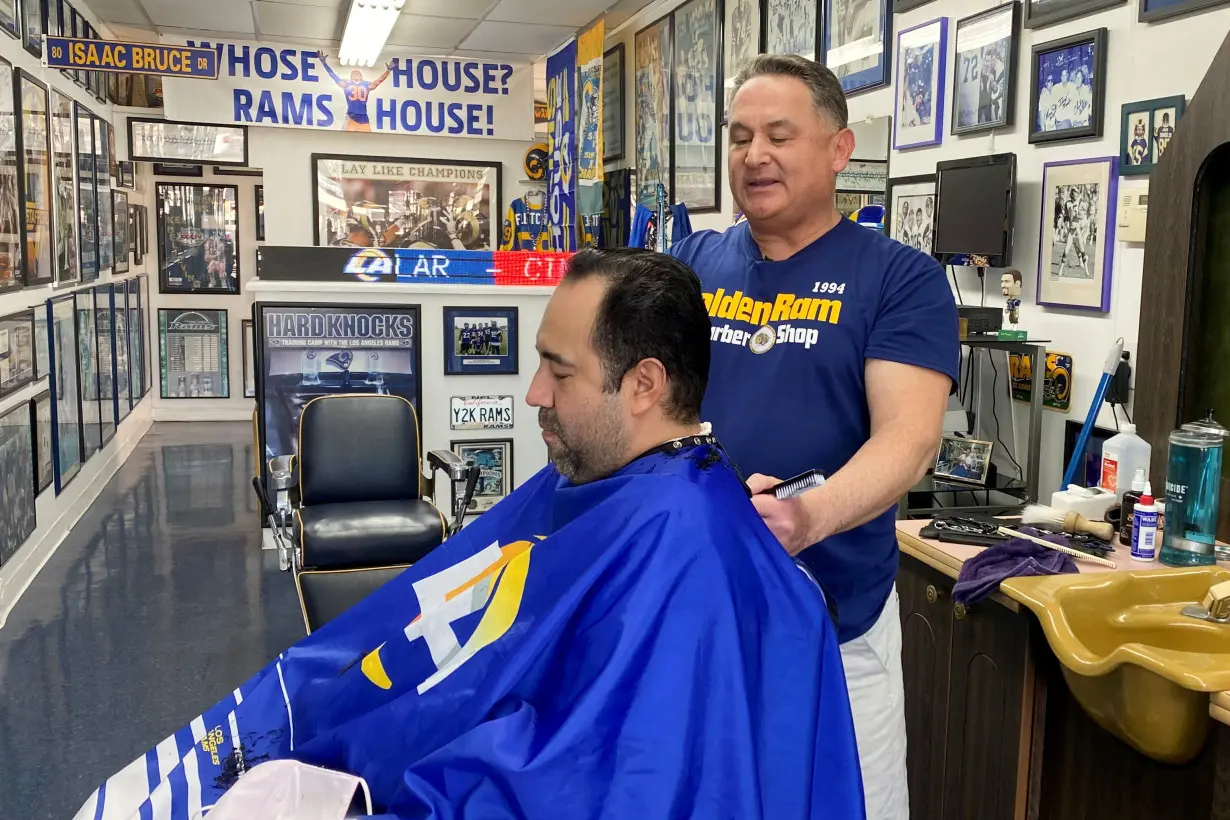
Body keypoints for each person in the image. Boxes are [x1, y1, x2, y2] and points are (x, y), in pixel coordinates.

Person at [74, 247, 865, 820]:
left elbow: (595, 782)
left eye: (558, 371)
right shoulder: (598, 490)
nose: (532, 394)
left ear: (644, 385)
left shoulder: (680, 552)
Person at [670, 55, 959, 820]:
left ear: (838, 150)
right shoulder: (694, 266)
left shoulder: (899, 278)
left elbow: (908, 438)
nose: (753, 155)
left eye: (777, 135)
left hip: (837, 632)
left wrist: (807, 518)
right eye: (738, 137)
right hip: (704, 623)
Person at [318, 51, 392, 132]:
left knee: (368, 140)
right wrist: (324, 63)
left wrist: (388, 71)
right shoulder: (346, 84)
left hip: (363, 116)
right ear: (350, 77)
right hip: (351, 115)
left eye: (358, 73)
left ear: (362, 77)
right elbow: (334, 76)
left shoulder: (366, 84)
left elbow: (378, 81)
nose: (356, 73)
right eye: (354, 73)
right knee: (346, 139)